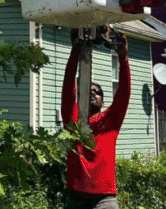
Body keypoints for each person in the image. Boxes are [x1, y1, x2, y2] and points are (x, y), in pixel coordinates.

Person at [61, 29, 131, 209]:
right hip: (75, 198)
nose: (93, 92)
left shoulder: (110, 121)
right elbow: (69, 84)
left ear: (103, 100)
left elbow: (123, 92)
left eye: (97, 91)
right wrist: (75, 49)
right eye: (89, 89)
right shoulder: (73, 118)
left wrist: (123, 59)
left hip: (104, 199)